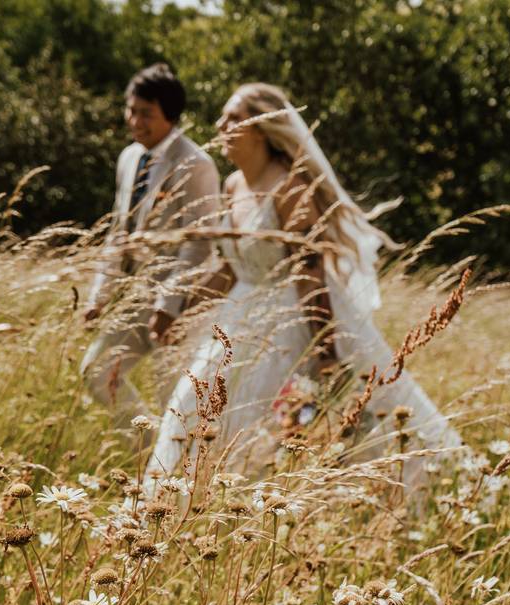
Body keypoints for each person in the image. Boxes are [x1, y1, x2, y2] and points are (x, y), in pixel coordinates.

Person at [145, 83, 462, 489]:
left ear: (261, 128)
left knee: (257, 420)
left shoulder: (290, 186)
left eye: (233, 118)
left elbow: (311, 272)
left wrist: (325, 353)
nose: (220, 125)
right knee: (190, 403)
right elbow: (228, 267)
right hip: (238, 319)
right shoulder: (232, 186)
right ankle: (176, 501)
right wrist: (180, 311)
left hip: (288, 322)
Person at [81, 64, 221, 428]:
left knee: (171, 397)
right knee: (96, 372)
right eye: (131, 110)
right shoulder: (129, 157)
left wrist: (168, 306)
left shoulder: (196, 163)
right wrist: (98, 296)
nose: (135, 121)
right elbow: (118, 229)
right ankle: (148, 448)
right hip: (134, 295)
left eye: (147, 114)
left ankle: (171, 469)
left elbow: (199, 242)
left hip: (180, 303)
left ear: (171, 116)